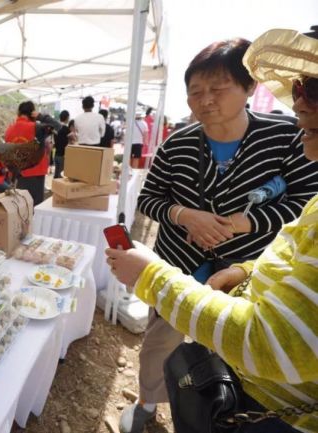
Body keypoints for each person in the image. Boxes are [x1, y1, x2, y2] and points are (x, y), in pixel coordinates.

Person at [109, 26, 318, 433]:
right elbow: (149, 200)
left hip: (249, 278)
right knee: (159, 347)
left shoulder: (288, 137)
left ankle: (216, 407)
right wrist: (185, 215)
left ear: (247, 87)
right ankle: (150, 406)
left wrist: (246, 223)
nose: (205, 100)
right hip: (181, 267)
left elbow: (301, 202)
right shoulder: (177, 144)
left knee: (227, 356)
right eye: (195, 91)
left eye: (218, 88)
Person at [4, 100, 49, 205]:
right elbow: (57, 127)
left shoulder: (9, 130)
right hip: (36, 172)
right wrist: (41, 117)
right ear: (32, 113)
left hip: (18, 174)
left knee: (22, 206)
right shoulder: (37, 127)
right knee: (35, 206)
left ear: (19, 113)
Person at [54, 110, 70, 179]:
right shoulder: (66, 129)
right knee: (60, 176)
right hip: (63, 155)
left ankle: (54, 188)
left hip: (56, 154)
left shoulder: (56, 128)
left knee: (56, 174)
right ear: (67, 118)